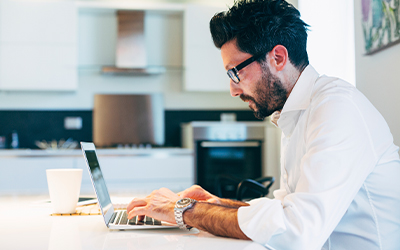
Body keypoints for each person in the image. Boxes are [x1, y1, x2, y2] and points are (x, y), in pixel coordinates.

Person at [127, 0, 400, 249]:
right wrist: (215, 205)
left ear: (278, 57)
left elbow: (296, 232)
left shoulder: (337, 109)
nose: (233, 90)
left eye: (235, 72)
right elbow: (284, 209)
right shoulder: (296, 112)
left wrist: (184, 210)